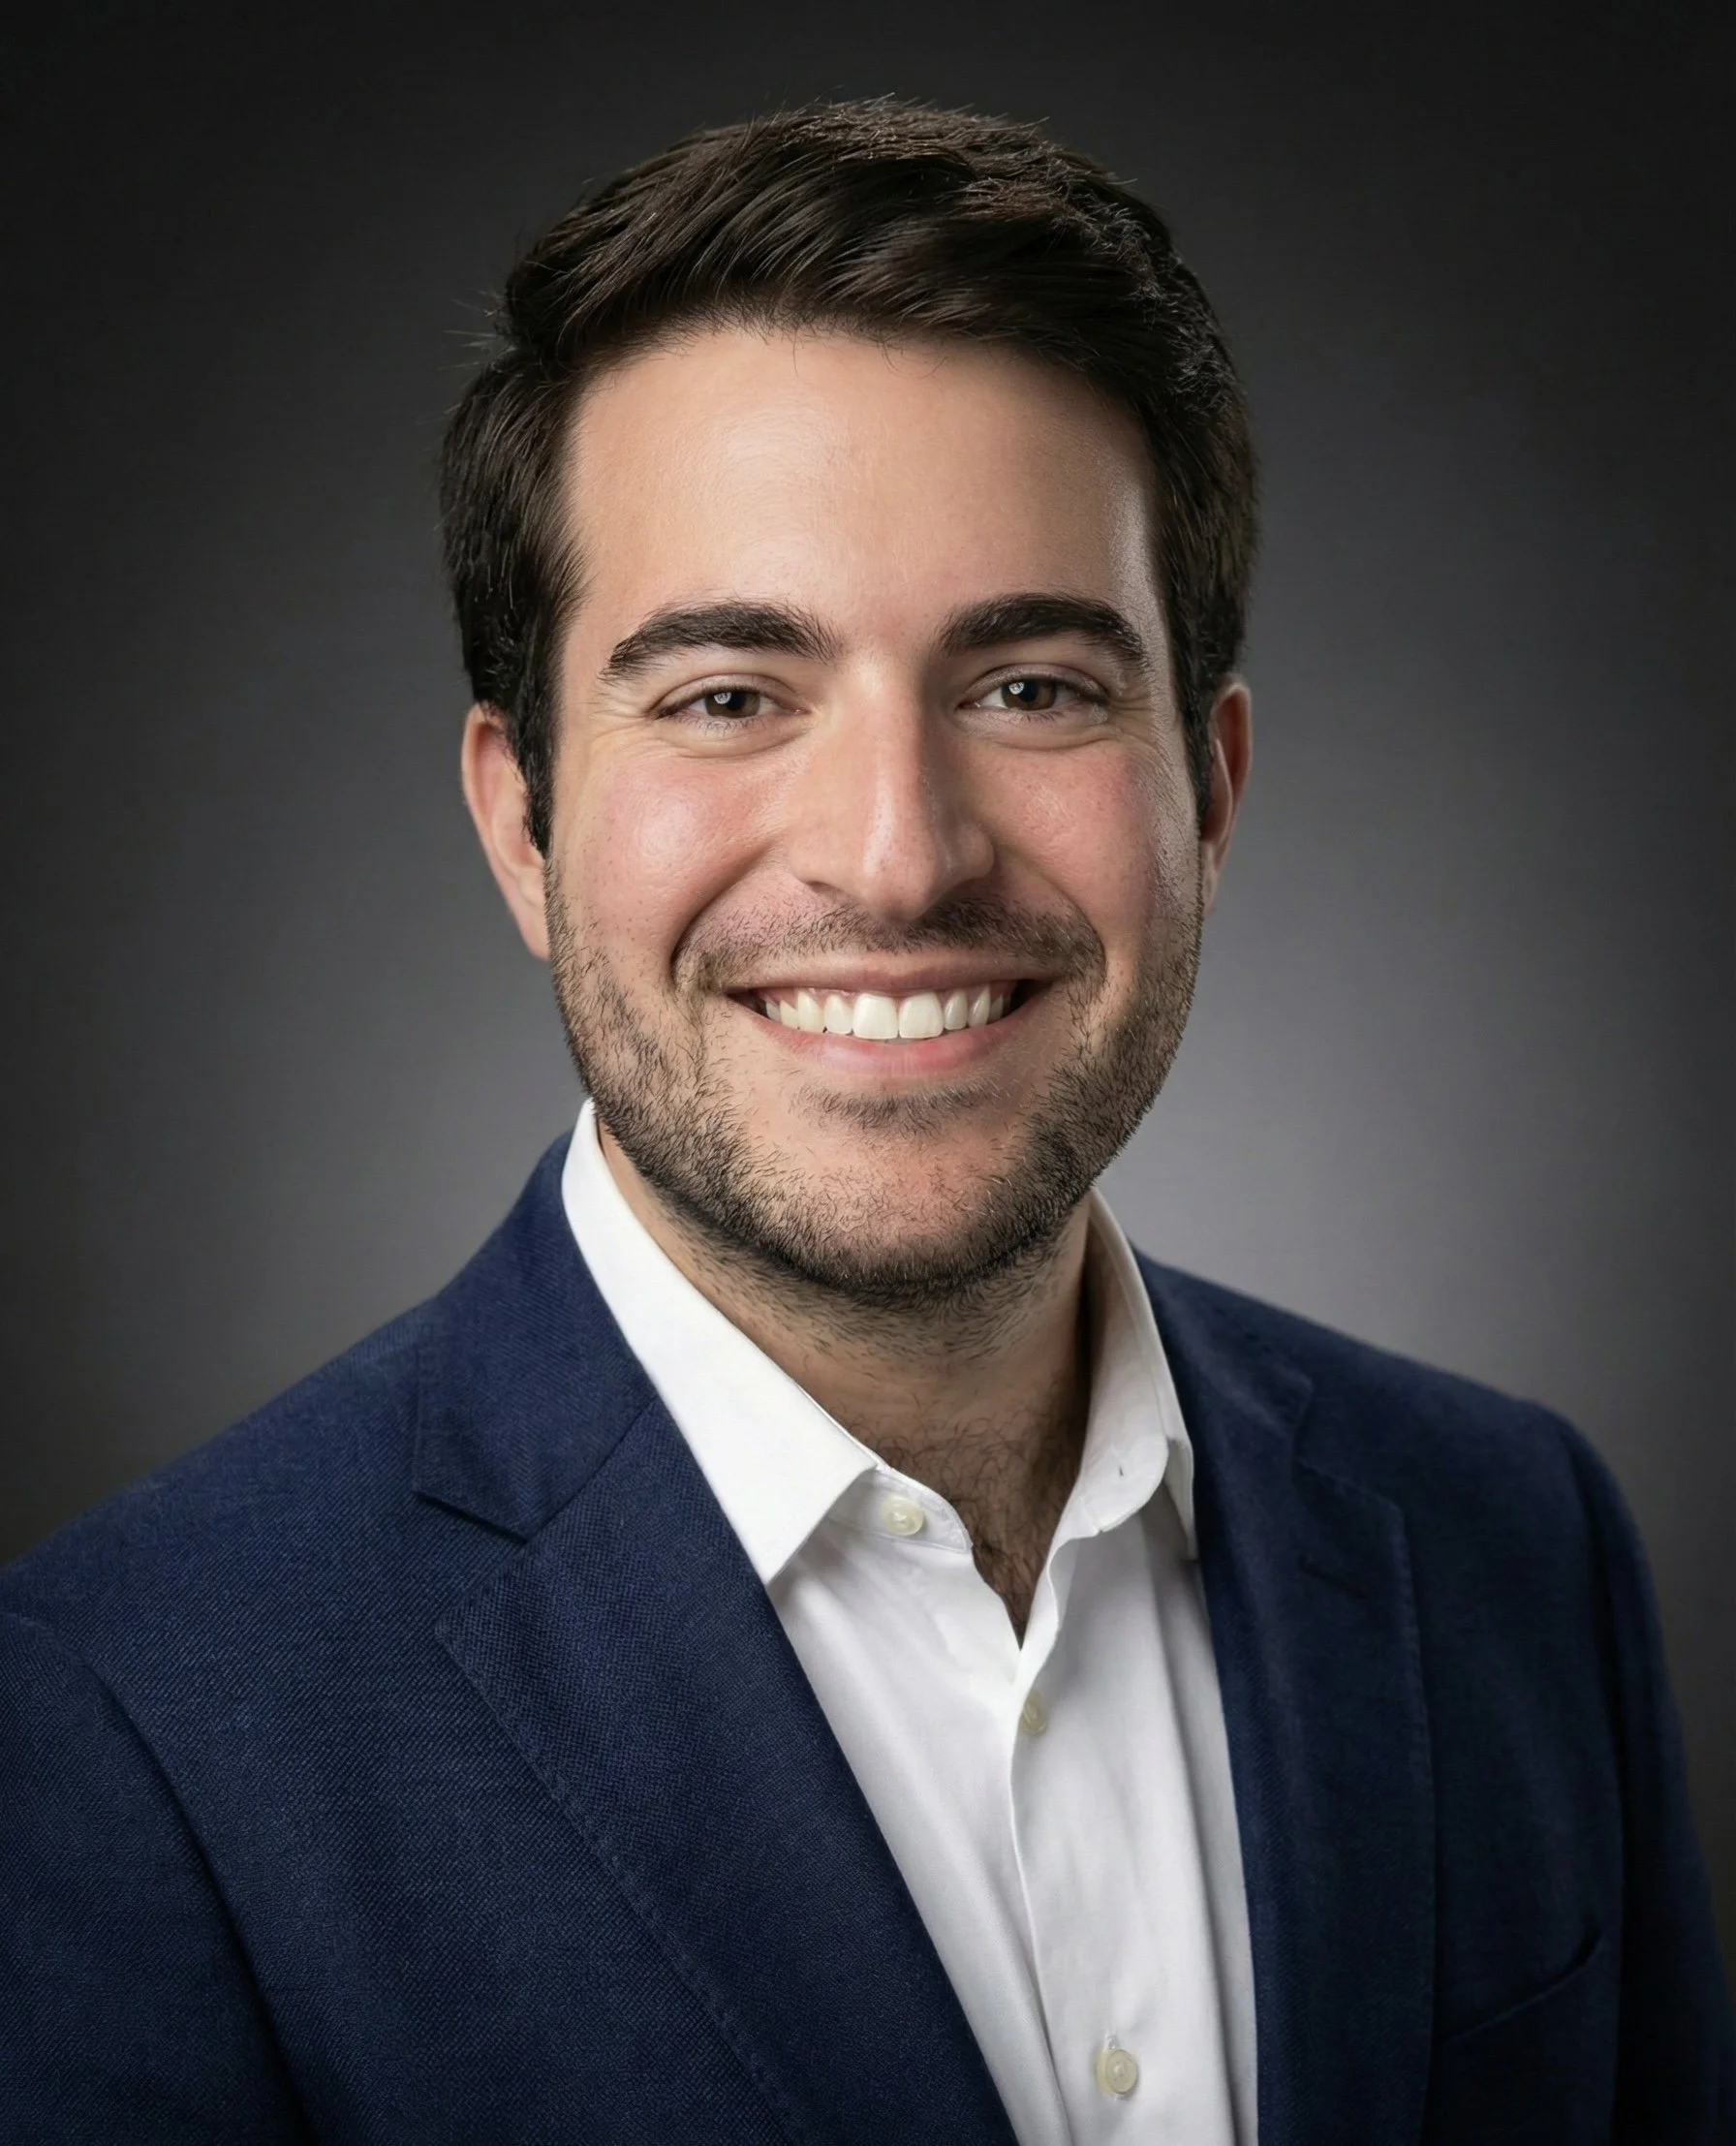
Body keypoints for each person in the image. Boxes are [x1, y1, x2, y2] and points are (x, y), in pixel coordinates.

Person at [1, 98, 1728, 2146]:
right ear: (520, 822)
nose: (897, 859)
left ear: (1211, 788)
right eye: (729, 693)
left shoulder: (1508, 1540)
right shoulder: (120, 1723)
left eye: (1031, 690)